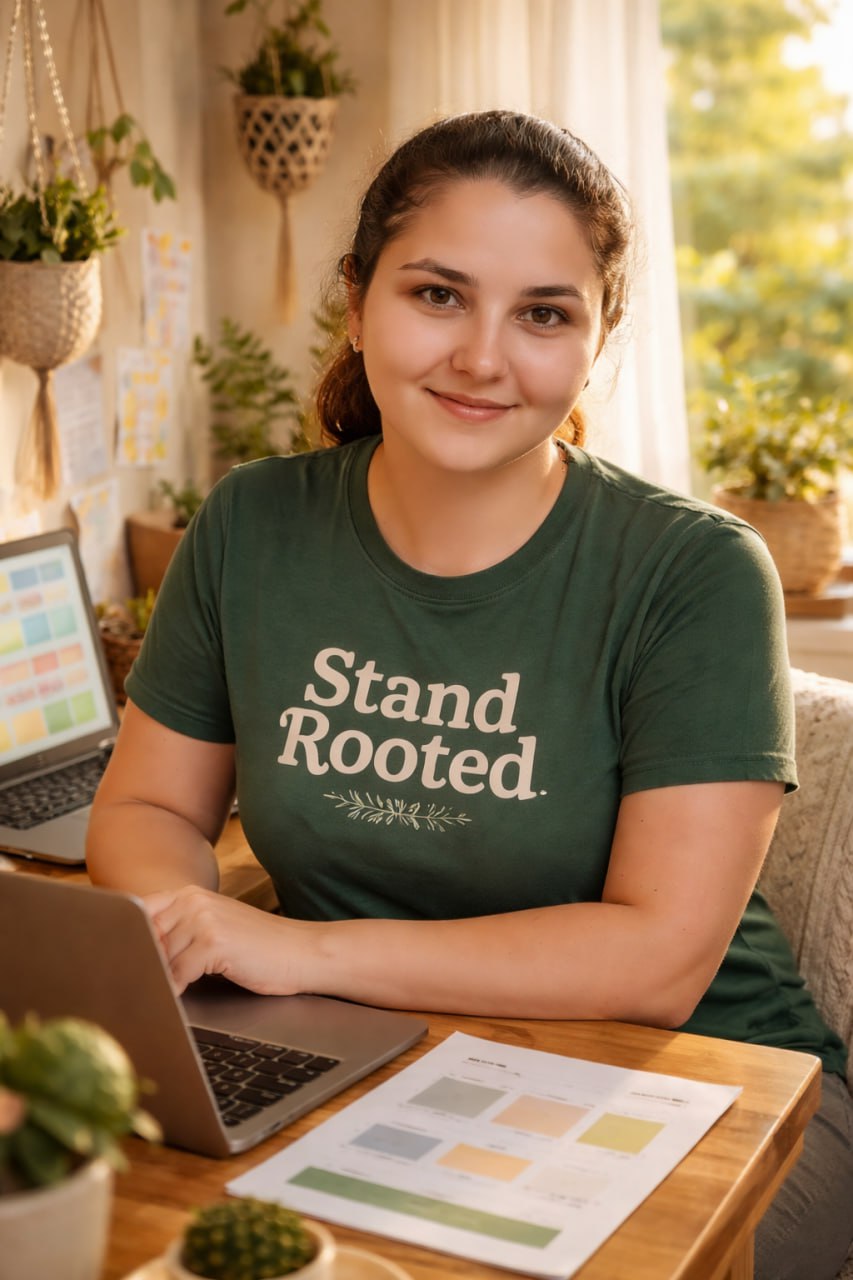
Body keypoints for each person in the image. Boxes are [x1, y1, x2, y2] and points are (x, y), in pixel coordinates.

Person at [86, 110, 852, 1279]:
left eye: (543, 312)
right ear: (358, 301)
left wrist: (301, 950)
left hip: (706, 1094)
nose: (482, 356)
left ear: (597, 340)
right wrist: (184, 927)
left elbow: (656, 962)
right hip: (370, 1062)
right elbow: (146, 815)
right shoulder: (251, 524)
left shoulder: (693, 570)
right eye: (437, 294)